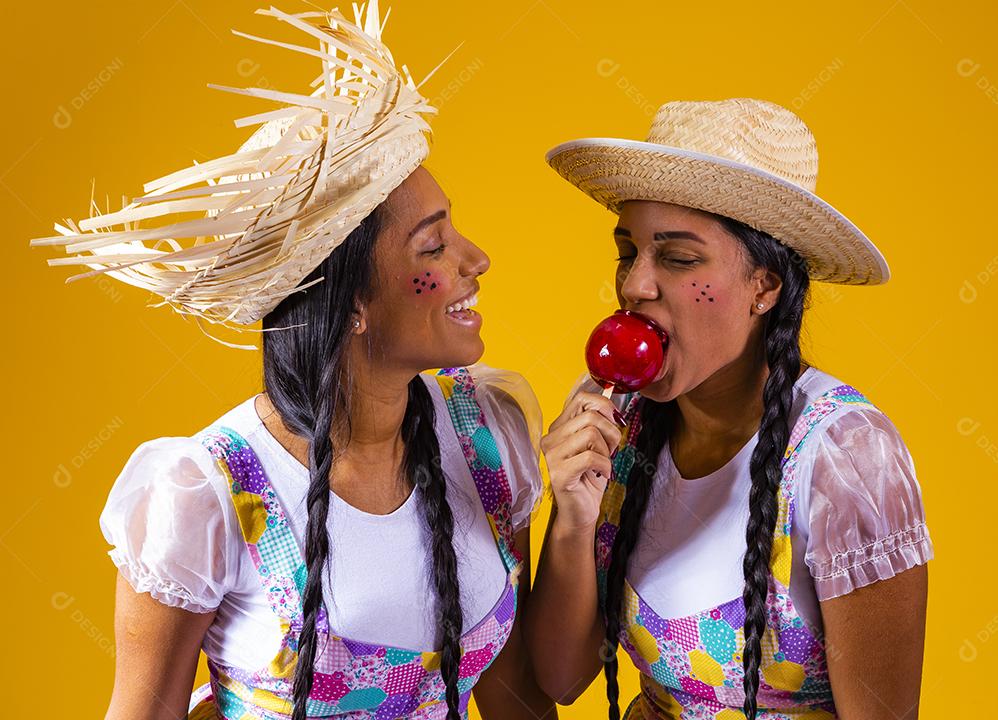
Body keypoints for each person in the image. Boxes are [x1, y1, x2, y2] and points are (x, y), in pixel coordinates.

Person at [31, 5, 552, 719]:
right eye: (433, 248)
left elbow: (513, 695)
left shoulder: (486, 435)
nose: (476, 260)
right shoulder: (205, 499)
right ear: (352, 307)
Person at [527, 98, 934, 719]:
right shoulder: (620, 424)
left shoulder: (846, 456)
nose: (635, 285)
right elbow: (560, 677)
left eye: (679, 258)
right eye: (627, 252)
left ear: (764, 286)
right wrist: (573, 517)